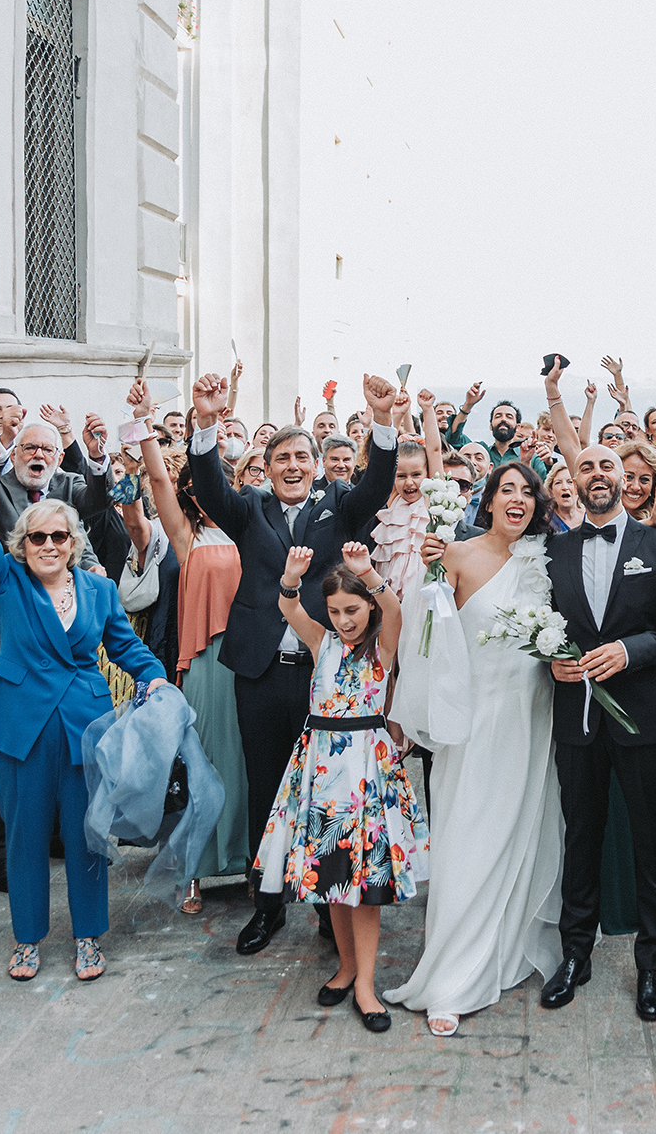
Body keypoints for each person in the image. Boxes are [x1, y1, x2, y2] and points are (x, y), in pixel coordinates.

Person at [185, 370, 400, 955]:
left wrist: (380, 423)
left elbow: (378, 483)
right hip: (258, 673)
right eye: (281, 457)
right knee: (266, 790)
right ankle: (267, 905)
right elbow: (206, 486)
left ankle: (331, 912)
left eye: (302, 456)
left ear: (317, 463)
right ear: (267, 465)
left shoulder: (341, 508)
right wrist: (206, 422)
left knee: (325, 795)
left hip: (322, 679)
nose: (292, 465)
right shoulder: (247, 509)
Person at [0, 432, 167, 984]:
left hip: (84, 726)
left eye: (59, 536)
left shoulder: (97, 590)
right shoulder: (5, 579)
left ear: (72, 542)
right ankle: (27, 939)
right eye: (37, 536)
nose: (48, 544)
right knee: (25, 836)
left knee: (87, 834)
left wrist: (155, 679)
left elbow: (125, 646)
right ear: (23, 543)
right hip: (19, 727)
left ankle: (89, 934)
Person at [385, 462, 564, 1038]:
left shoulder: (543, 561)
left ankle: (506, 952)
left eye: (528, 492)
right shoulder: (453, 557)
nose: (518, 499)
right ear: (486, 502)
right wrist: (414, 715)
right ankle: (452, 977)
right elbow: (422, 641)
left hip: (533, 718)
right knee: (466, 839)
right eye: (506, 490)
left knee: (522, 835)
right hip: (474, 724)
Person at [538, 443, 656, 1022]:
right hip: (577, 721)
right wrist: (548, 657)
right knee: (580, 835)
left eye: (608, 466)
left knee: (652, 841)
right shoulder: (551, 551)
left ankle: (652, 965)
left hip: (646, 720)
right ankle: (576, 953)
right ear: (574, 481)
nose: (598, 475)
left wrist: (631, 652)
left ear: (625, 480)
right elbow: (541, 626)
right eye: (586, 467)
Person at [257, 542, 427, 1031]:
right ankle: (347, 968)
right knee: (331, 878)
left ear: (367, 606)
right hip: (320, 770)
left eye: (351, 610)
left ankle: (367, 985)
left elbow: (393, 607)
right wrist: (291, 576)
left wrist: (367, 573)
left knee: (366, 883)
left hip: (367, 773)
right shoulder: (321, 642)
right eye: (334, 611)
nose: (343, 620)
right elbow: (289, 606)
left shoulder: (382, 644)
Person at [126, 379, 251, 915]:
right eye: (194, 486)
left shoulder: (254, 528)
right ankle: (197, 873)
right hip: (204, 661)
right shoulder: (186, 536)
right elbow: (156, 477)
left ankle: (247, 862)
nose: (203, 491)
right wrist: (147, 421)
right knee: (203, 761)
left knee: (246, 763)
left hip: (251, 659)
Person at [367, 391, 445, 602]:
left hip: (420, 598)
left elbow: (435, 451)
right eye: (401, 476)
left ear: (428, 475)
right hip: (388, 597)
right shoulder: (393, 500)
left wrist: (428, 410)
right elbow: (383, 454)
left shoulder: (431, 500)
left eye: (416, 475)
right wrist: (398, 414)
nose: (409, 482)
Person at [546, 461, 583, 532]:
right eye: (558, 483)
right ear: (551, 491)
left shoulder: (590, 517)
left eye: (570, 482)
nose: (565, 487)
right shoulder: (546, 522)